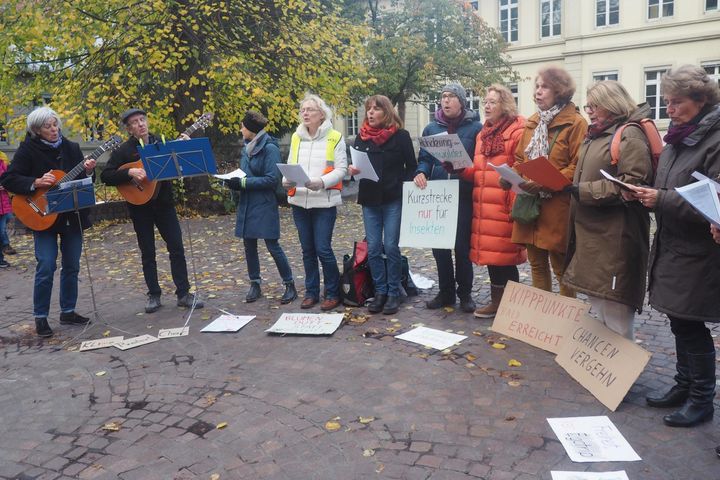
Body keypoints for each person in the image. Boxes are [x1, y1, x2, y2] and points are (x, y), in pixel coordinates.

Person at [629, 65, 720, 428]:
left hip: (699, 251)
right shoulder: (678, 138)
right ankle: (683, 385)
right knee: (679, 321)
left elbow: (713, 200)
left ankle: (702, 400)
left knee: (691, 324)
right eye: (666, 101)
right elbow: (668, 184)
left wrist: (660, 199)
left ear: (701, 100)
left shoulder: (713, 140)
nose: (669, 108)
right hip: (673, 244)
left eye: (677, 102)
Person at [562, 81, 654, 340]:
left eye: (595, 105)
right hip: (593, 235)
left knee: (616, 313)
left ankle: (619, 375)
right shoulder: (598, 133)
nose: (589, 111)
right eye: (588, 105)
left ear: (611, 104)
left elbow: (633, 185)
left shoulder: (629, 134)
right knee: (600, 307)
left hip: (615, 236)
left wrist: (583, 191)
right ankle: (603, 372)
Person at [0, 107, 95, 337]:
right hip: (42, 217)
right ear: (36, 130)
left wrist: (88, 171)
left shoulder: (71, 147)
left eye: (55, 124)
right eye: (47, 126)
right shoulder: (27, 150)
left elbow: (79, 182)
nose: (54, 129)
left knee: (72, 265)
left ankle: (68, 311)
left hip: (71, 217)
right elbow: (8, 178)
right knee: (46, 265)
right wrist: (36, 181)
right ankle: (41, 317)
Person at [100, 108, 203, 313]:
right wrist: (129, 172)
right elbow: (106, 175)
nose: (141, 124)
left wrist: (181, 148)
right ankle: (153, 295)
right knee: (148, 252)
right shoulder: (123, 151)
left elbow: (177, 164)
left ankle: (183, 293)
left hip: (164, 204)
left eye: (142, 120)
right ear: (129, 129)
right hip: (140, 207)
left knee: (176, 247)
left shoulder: (161, 143)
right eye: (135, 122)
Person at [508, 66, 587, 297]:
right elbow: (521, 158)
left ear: (559, 91)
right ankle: (542, 322)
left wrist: (544, 182)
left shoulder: (576, 123)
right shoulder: (533, 122)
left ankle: (563, 323)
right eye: (537, 87)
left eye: (544, 87)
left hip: (557, 205)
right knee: (536, 265)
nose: (538, 92)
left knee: (561, 267)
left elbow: (577, 165)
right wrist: (513, 177)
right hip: (530, 204)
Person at [460, 84, 526, 318]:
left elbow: (522, 168)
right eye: (485, 102)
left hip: (504, 204)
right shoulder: (483, 133)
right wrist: (460, 169)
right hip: (484, 205)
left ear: (505, 105)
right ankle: (498, 303)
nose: (487, 106)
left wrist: (511, 194)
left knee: (505, 259)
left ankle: (511, 307)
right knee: (492, 258)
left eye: (492, 102)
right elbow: (479, 172)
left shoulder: (518, 131)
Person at [414, 83, 482, 313]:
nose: (446, 100)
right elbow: (424, 158)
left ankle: (465, 294)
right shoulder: (431, 128)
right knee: (439, 248)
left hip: (463, 195)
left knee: (462, 248)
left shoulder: (475, 129)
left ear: (461, 101)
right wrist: (421, 172)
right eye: (443, 96)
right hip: (438, 196)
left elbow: (479, 162)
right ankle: (446, 293)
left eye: (451, 96)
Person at [349, 95, 417, 315]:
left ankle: (393, 292)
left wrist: (401, 184)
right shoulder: (361, 138)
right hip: (369, 199)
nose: (370, 112)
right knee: (374, 247)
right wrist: (353, 173)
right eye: (368, 108)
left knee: (390, 246)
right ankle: (379, 292)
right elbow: (357, 170)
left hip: (392, 198)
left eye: (376, 109)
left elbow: (411, 167)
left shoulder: (401, 136)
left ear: (386, 112)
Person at [282, 94, 347, 311]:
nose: (305, 113)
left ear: (322, 114)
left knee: (323, 249)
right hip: (299, 200)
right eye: (303, 110)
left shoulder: (335, 136)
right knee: (307, 250)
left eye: (310, 110)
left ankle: (332, 292)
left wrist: (321, 182)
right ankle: (311, 292)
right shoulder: (296, 137)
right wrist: (286, 179)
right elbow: (291, 163)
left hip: (324, 202)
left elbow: (342, 170)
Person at [225, 111, 296, 304]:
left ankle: (289, 284)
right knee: (249, 245)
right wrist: (233, 182)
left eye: (243, 126)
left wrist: (244, 184)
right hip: (247, 203)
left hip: (264, 203)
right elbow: (243, 174)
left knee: (272, 245)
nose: (241, 130)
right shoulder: (247, 146)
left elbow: (272, 180)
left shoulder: (270, 148)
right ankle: (255, 283)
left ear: (251, 129)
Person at [0, 151, 16, 258]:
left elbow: (9, 179)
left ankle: (2, 257)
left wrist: (5, 185)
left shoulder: (2, 161)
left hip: (3, 203)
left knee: (1, 229)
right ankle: (5, 245)